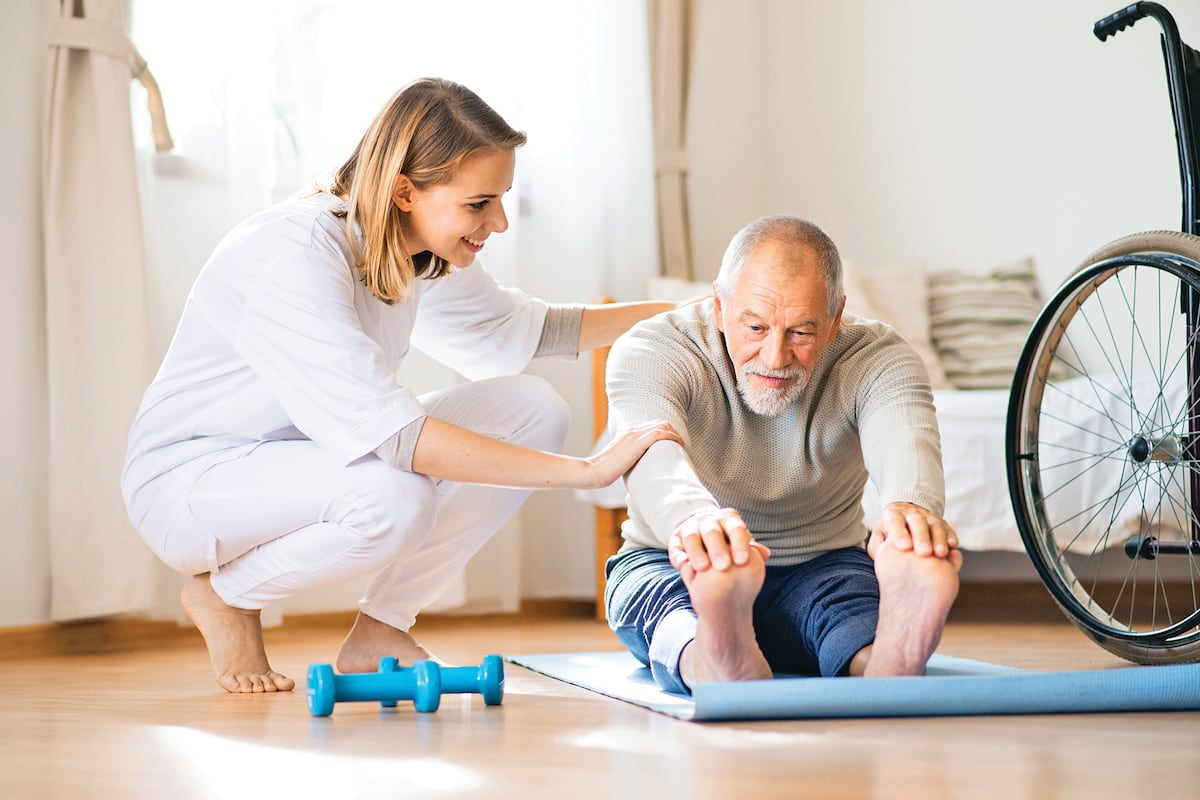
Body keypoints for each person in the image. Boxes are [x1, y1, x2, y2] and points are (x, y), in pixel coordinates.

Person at [121, 77, 681, 693]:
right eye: (478, 204)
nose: (497, 222)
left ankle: (380, 628)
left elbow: (527, 329)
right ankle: (226, 597)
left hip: (300, 458)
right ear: (404, 190)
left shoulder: (412, 246)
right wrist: (587, 471)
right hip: (193, 479)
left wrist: (696, 313)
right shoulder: (294, 253)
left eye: (501, 200)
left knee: (532, 408)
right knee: (395, 499)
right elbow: (395, 438)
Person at [603, 215, 963, 694]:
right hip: (676, 561)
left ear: (836, 317)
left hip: (823, 564)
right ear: (719, 305)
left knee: (847, 607)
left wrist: (908, 515)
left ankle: (888, 662)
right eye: (754, 326)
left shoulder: (880, 358)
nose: (774, 357)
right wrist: (697, 527)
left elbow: (905, 438)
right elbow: (653, 457)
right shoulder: (652, 349)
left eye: (801, 332)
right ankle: (711, 654)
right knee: (665, 609)